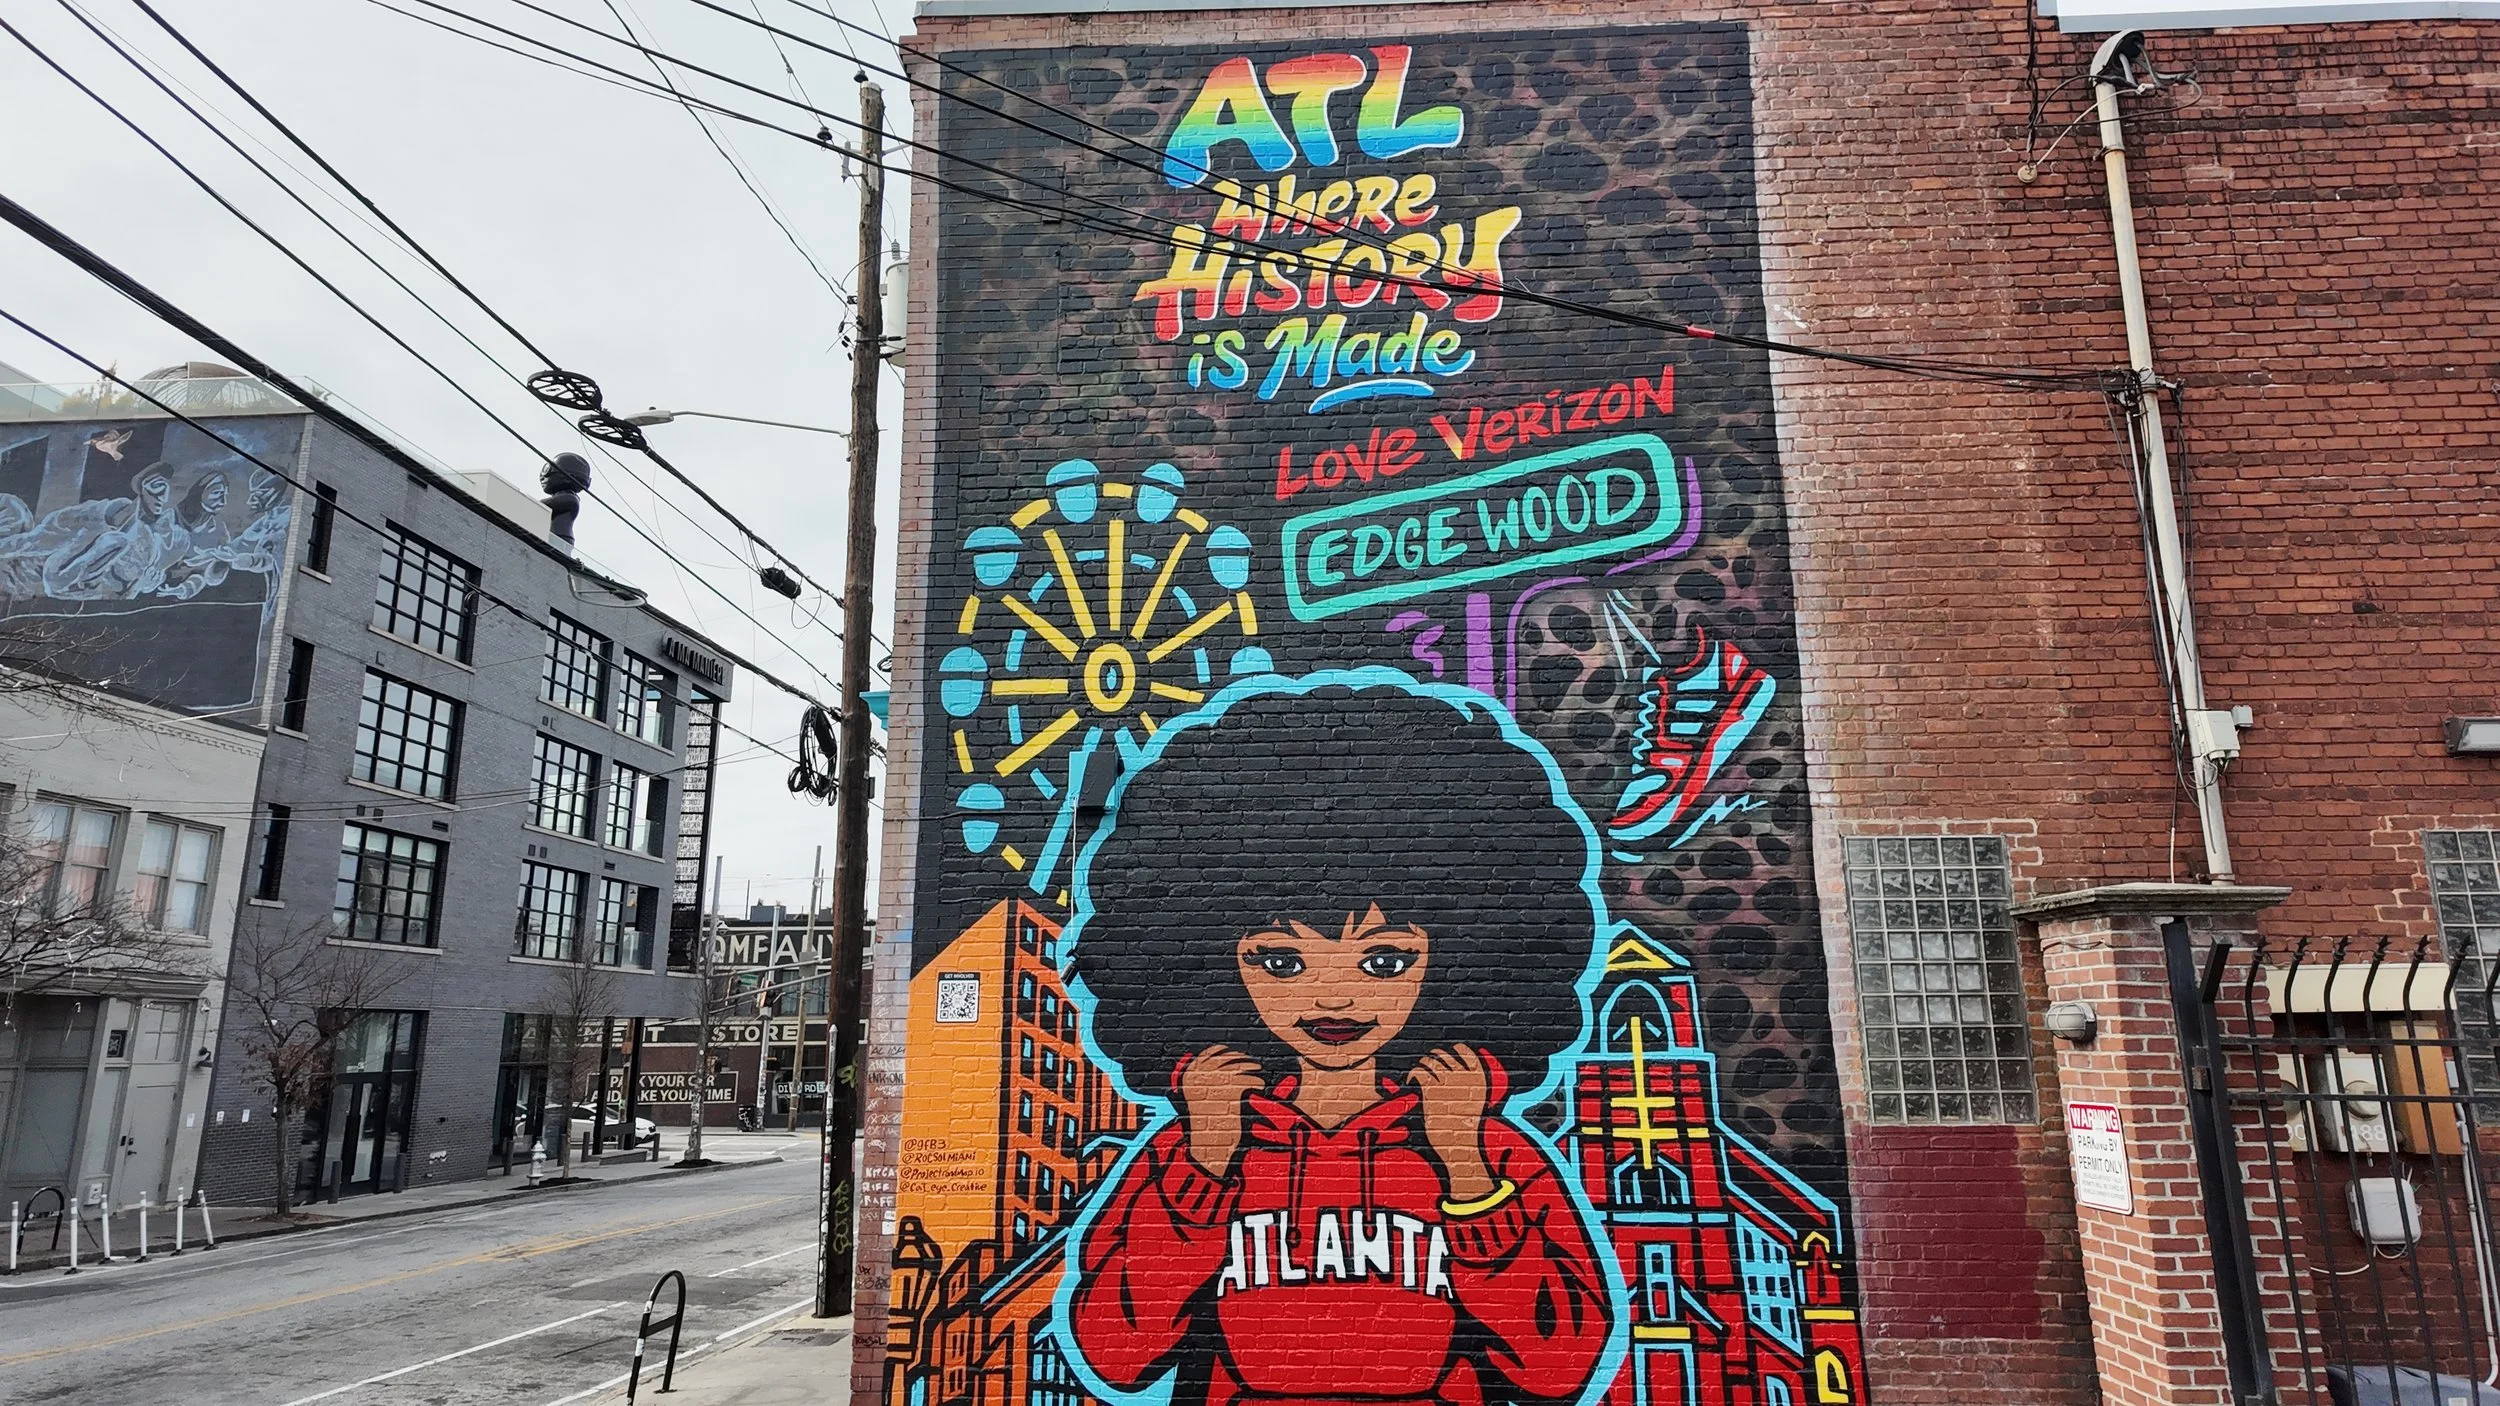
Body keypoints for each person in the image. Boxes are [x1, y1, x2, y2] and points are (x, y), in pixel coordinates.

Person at [1063, 674, 1617, 1406]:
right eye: (1281, 963)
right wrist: (1204, 1166)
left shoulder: (1488, 1150)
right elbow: (1116, 1353)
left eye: (1384, 962)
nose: (1333, 998)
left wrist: (1467, 1173)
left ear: (1449, 962)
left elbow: (1557, 1366)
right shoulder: (1194, 1145)